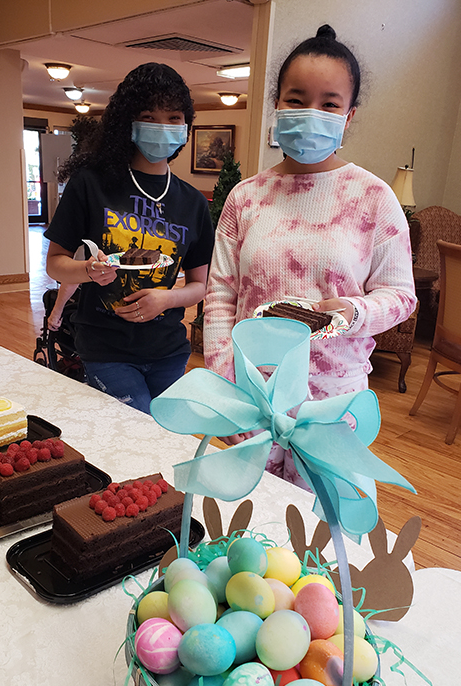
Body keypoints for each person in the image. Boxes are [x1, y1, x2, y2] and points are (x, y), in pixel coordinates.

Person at [203, 25, 416, 486]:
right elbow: (220, 296)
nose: (311, 113)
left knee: (319, 539)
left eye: (329, 104)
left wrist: (354, 311)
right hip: (253, 401)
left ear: (349, 115)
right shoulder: (246, 198)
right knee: (249, 540)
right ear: (276, 103)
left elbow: (401, 296)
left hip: (332, 408)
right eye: (297, 100)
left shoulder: (374, 198)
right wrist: (225, 386)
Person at [44, 62, 214, 413]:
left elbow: (201, 285)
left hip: (169, 350)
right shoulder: (91, 184)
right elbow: (56, 264)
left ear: (186, 126)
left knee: (168, 440)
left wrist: (166, 300)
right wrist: (88, 270)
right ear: (127, 122)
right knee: (139, 433)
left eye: (173, 118)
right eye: (149, 116)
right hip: (106, 350)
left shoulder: (193, 202)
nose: (163, 127)